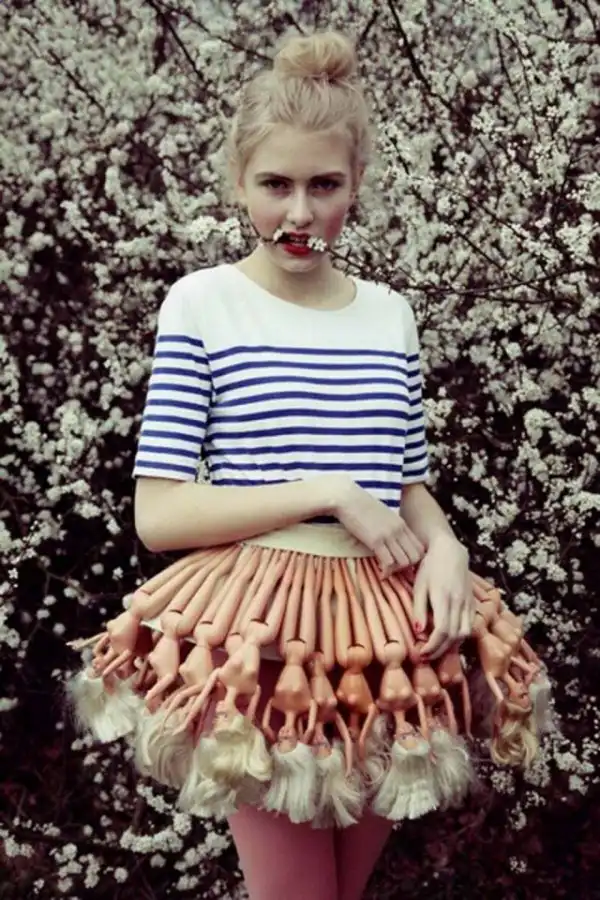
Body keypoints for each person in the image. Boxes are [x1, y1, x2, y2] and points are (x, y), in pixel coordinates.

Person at [132, 30, 474, 900]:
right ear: (238, 182)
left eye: (324, 185)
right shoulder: (204, 303)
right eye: (275, 184)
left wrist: (449, 548)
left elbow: (405, 481)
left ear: (356, 184)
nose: (299, 211)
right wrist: (327, 492)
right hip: (265, 630)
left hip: (388, 631)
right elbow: (159, 513)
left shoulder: (389, 315)